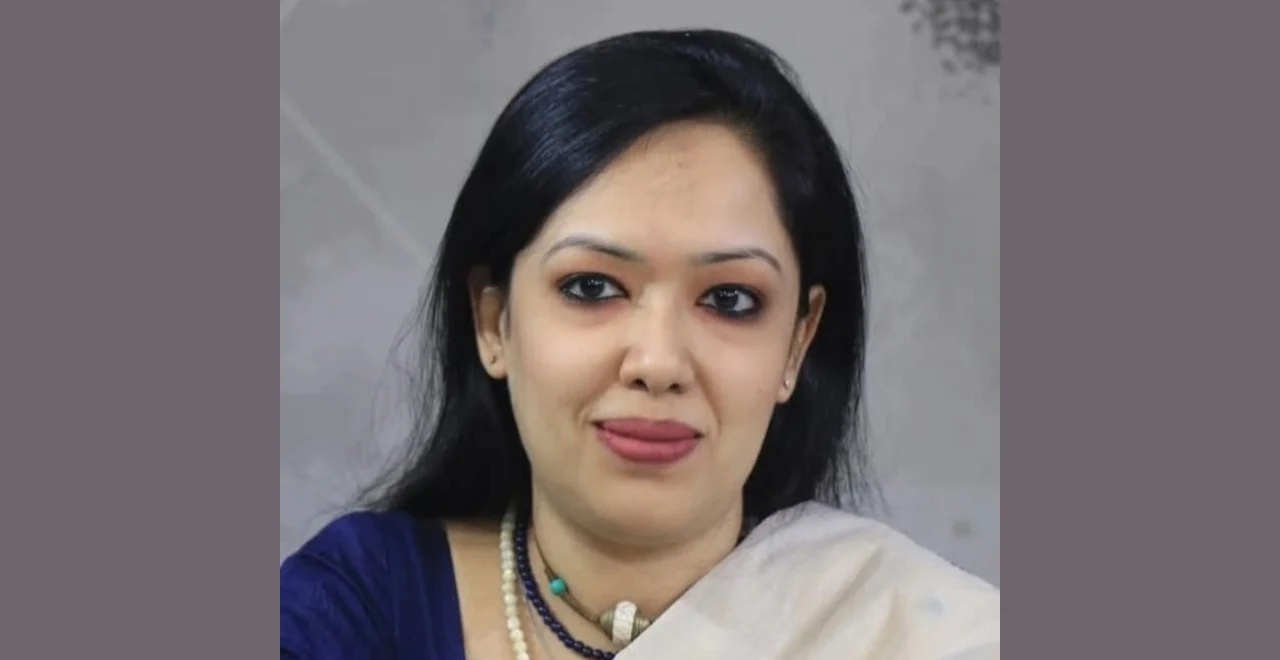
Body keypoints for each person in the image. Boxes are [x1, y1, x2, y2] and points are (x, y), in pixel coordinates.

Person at [280, 28, 999, 660]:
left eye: (730, 299)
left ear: (797, 343)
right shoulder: (355, 609)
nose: (658, 364)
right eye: (592, 287)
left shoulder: (916, 636)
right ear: (493, 321)